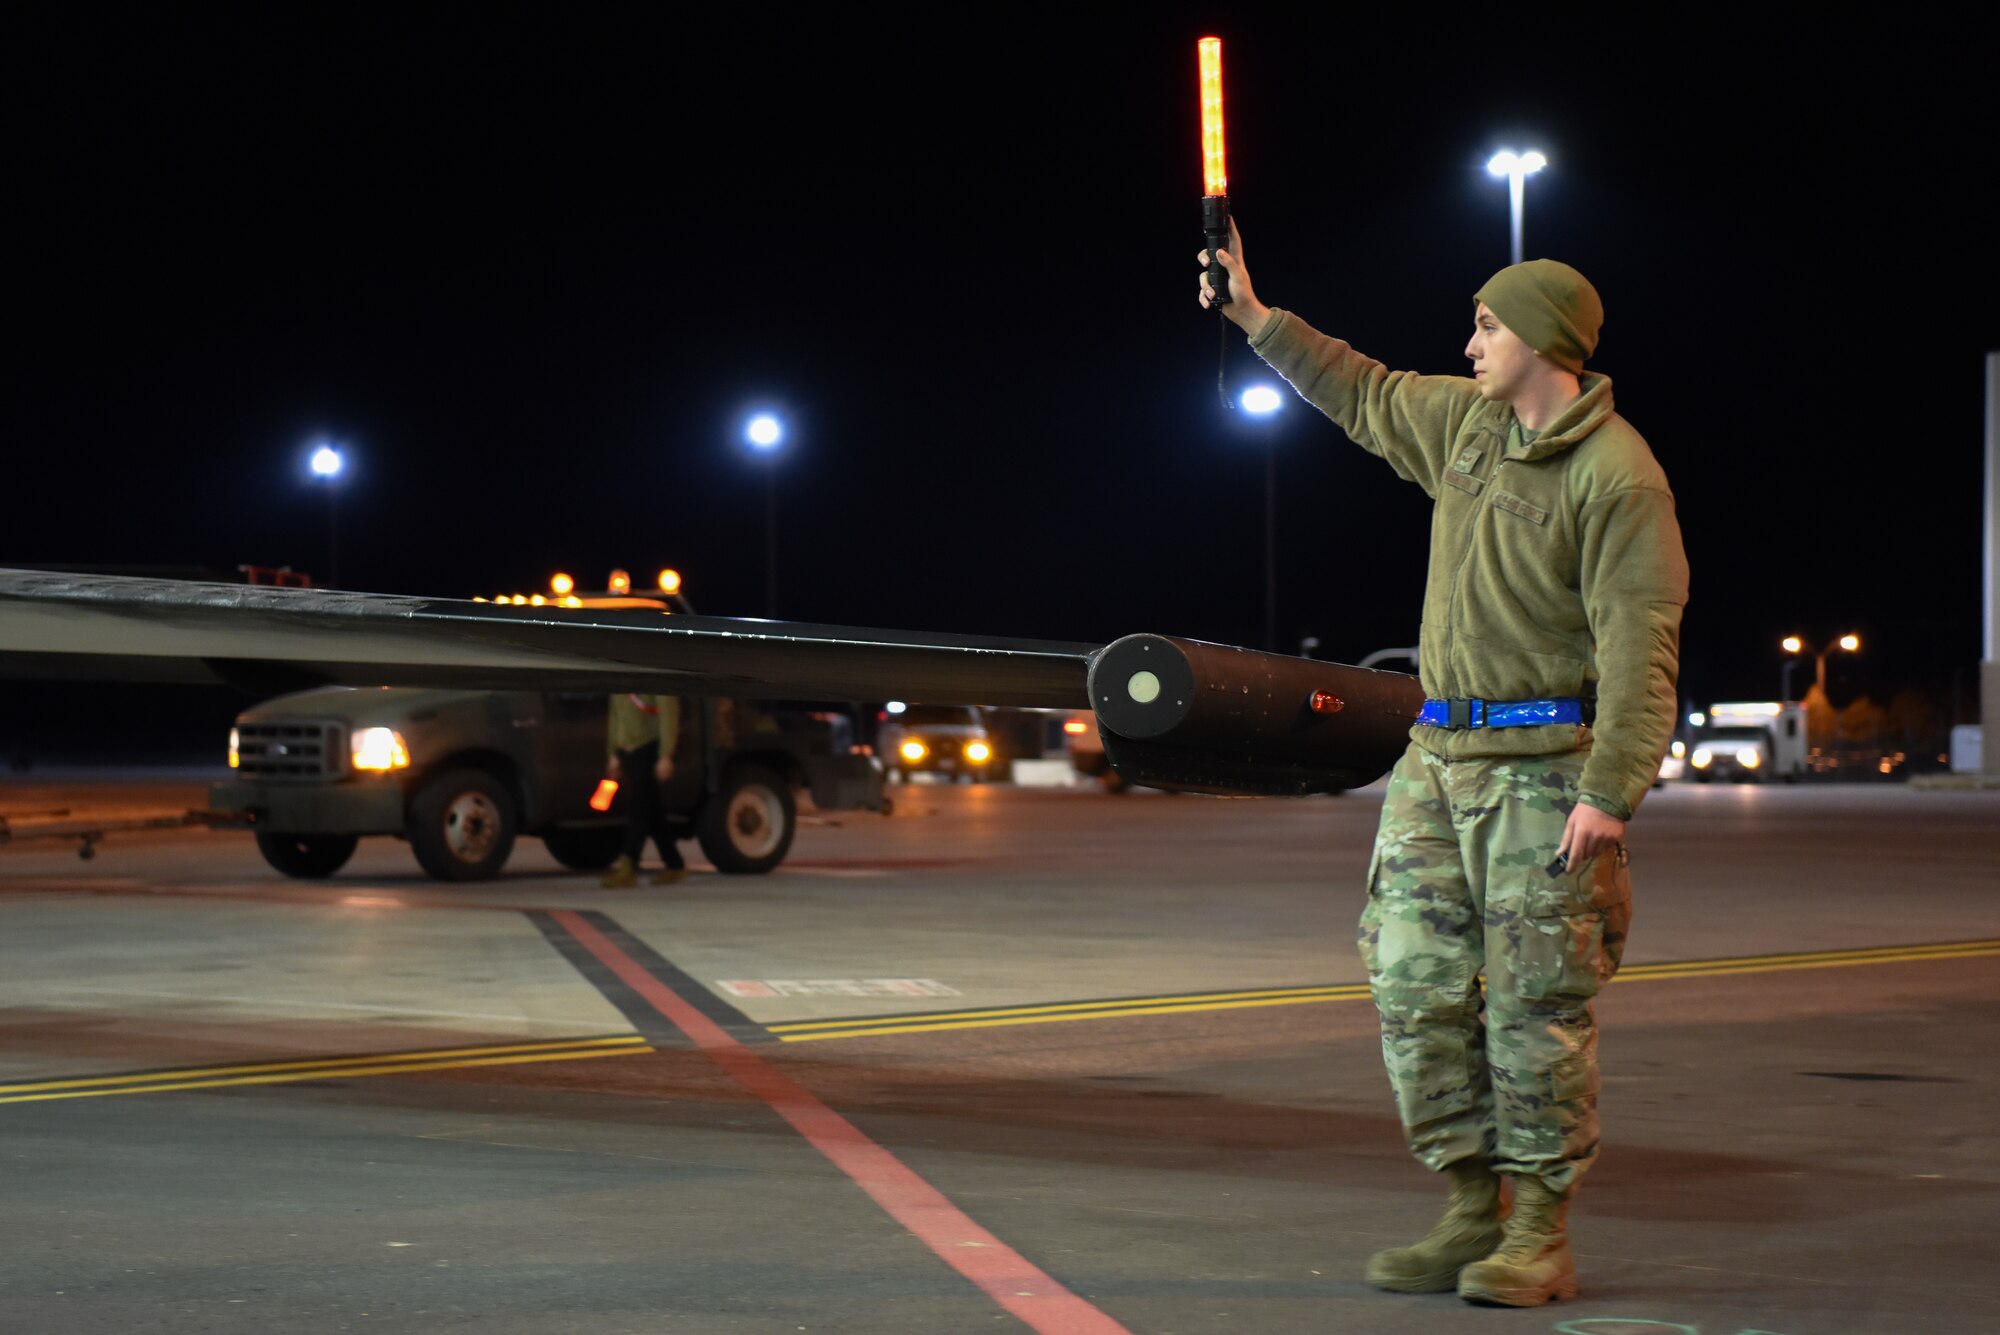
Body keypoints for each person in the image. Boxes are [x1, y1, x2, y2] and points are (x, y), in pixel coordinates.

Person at [1200, 226, 1688, 1307]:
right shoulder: (1462, 430)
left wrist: (1609, 794)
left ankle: (1536, 1233)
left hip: (1540, 771)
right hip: (1434, 757)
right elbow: (1358, 390)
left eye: (1485, 322)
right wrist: (1250, 314)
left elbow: (1639, 651)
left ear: (1543, 339)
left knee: (1532, 1009)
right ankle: (1469, 1205)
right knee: (1410, 987)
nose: (1468, 341)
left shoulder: (1617, 478)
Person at [602, 692, 687, 887]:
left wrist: (666, 754)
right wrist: (613, 752)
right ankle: (674, 864)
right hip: (629, 748)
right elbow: (616, 715)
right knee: (652, 810)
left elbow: (669, 713)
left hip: (650, 746)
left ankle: (629, 863)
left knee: (638, 806)